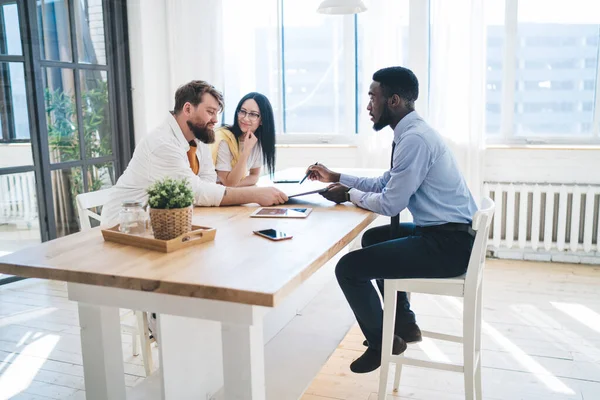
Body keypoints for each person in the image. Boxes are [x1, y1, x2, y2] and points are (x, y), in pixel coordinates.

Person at [305, 67, 478, 373]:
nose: (368, 105)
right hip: (448, 235)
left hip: (449, 246)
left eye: (373, 97)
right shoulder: (414, 133)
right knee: (373, 238)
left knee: (348, 268)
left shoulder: (415, 140)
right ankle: (405, 324)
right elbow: (388, 181)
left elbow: (390, 202)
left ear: (394, 100)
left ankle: (381, 342)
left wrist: (347, 195)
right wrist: (337, 177)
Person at [100, 80, 287, 229]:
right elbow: (196, 191)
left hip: (161, 225)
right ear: (188, 109)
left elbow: (206, 182)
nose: (215, 120)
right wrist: (254, 194)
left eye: (217, 113)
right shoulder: (162, 144)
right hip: (124, 228)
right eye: (210, 112)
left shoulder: (199, 138)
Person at [211, 92, 276, 187]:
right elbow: (229, 183)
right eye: (243, 111)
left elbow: (254, 176)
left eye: (253, 114)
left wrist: (236, 185)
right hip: (213, 195)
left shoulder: (256, 141)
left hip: (231, 192)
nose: (245, 118)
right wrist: (246, 151)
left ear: (262, 120)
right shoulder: (224, 139)